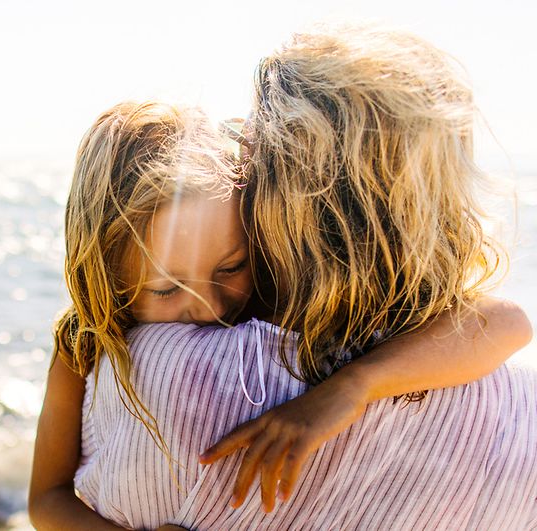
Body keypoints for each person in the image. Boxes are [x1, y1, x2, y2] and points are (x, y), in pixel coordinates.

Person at [28, 24, 534, 530]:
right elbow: (47, 498)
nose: (208, 307)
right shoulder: (83, 339)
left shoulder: (272, 290)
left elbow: (506, 321)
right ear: (106, 278)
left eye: (230, 267)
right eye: (165, 289)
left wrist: (350, 388)